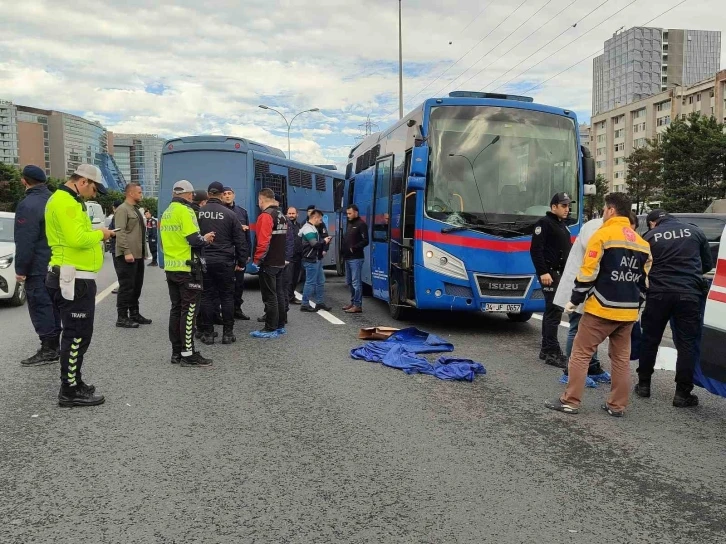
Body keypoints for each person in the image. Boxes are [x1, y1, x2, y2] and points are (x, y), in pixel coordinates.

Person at [546, 193, 651, 417]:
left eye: (604, 209)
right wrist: (636, 307)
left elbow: (588, 273)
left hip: (600, 309)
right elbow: (644, 283)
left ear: (611, 210)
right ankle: (617, 406)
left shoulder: (602, 235)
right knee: (621, 360)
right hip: (628, 312)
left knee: (581, 354)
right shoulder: (642, 244)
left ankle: (570, 401)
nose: (603, 213)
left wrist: (574, 300)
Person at [44, 164, 115, 406]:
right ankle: (69, 391)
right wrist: (101, 234)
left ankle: (74, 381)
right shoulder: (65, 202)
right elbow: (77, 239)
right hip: (73, 278)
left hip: (75, 276)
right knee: (76, 335)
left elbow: (75, 233)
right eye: (94, 189)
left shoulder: (71, 202)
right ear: (83, 182)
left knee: (79, 334)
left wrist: (96, 231)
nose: (94, 194)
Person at [636, 209, 713, 408]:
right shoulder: (694, 232)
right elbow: (706, 264)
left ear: (653, 223)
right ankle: (682, 394)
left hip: (658, 293)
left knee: (650, 339)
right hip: (689, 294)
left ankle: (644, 385)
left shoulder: (650, 236)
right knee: (687, 343)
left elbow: (642, 266)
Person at [159, 180, 215, 367]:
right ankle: (188, 354)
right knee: (189, 312)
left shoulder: (167, 212)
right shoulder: (186, 211)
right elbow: (194, 239)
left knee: (176, 310)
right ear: (189, 194)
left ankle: (176, 352)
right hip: (188, 267)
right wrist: (206, 239)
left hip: (171, 267)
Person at [14, 165, 62, 366]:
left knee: (40, 306)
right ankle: (55, 346)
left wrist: (21, 269)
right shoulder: (55, 200)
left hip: (38, 266)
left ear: (24, 181)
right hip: (58, 263)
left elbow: (26, 240)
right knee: (55, 306)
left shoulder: (29, 204)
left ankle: (49, 349)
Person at [553, 215, 605, 386]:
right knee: (577, 328)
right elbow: (594, 254)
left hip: (592, 285)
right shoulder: (596, 226)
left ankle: (592, 367)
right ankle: (570, 371)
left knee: (592, 330)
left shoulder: (604, 227)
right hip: (580, 283)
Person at [197, 182, 248, 345]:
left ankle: (209, 333)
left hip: (204, 260)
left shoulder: (198, 213)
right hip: (225, 261)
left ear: (208, 194)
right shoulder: (230, 214)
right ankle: (227, 333)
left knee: (207, 297)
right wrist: (241, 261)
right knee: (227, 296)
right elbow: (240, 240)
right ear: (220, 194)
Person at [530, 192, 573, 368]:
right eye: (563, 206)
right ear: (553, 207)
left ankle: (546, 349)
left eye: (568, 206)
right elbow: (535, 250)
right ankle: (551, 352)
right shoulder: (544, 223)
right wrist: (543, 272)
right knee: (553, 312)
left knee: (554, 311)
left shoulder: (562, 225)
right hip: (550, 274)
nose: (567, 209)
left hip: (559, 274)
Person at [251, 189, 288, 338]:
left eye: (259, 201)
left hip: (268, 262)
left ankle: (269, 328)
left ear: (262, 199)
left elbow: (263, 241)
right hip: (279, 261)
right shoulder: (281, 215)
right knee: (279, 294)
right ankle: (280, 325)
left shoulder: (266, 216)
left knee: (269, 296)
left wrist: (257, 260)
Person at [114, 183, 151, 329]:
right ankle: (122, 317)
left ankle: (134, 313)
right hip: (127, 255)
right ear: (130, 193)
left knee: (136, 286)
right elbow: (120, 231)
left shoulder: (134, 210)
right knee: (126, 287)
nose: (141, 195)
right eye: (139, 192)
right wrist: (126, 251)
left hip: (138, 254)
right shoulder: (122, 209)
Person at [222, 186, 251, 320]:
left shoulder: (242, 212)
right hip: (225, 254)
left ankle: (237, 309)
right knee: (224, 285)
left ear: (234, 195)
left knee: (239, 284)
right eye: (225, 194)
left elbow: (247, 236)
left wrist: (247, 253)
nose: (227, 196)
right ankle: (223, 312)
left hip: (239, 253)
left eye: (229, 193)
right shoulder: (220, 212)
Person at [299, 209, 332, 312]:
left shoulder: (312, 227)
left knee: (320, 281)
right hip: (311, 259)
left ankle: (320, 302)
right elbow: (314, 244)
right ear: (315, 218)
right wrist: (325, 241)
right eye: (320, 219)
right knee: (310, 282)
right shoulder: (308, 228)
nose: (321, 221)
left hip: (316, 258)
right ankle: (304, 304)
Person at [341, 204, 369, 313]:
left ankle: (358, 305)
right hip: (347, 257)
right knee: (349, 282)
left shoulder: (361, 224)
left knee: (356, 282)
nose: (348, 215)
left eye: (350, 213)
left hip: (356, 258)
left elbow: (365, 240)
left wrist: (354, 248)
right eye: (347, 213)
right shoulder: (350, 223)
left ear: (356, 213)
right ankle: (353, 302)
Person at [286, 207, 303, 305]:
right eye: (289, 213)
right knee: (288, 278)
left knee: (295, 278)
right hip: (289, 257)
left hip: (298, 256)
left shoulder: (299, 226)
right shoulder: (285, 225)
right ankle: (288, 297)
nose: (291, 215)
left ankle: (291, 296)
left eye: (293, 213)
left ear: (297, 214)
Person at [109, 200, 122, 295]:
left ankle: (122, 286)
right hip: (118, 246)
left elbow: (114, 230)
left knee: (119, 268)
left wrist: (109, 233)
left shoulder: (118, 216)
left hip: (117, 246)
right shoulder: (120, 216)